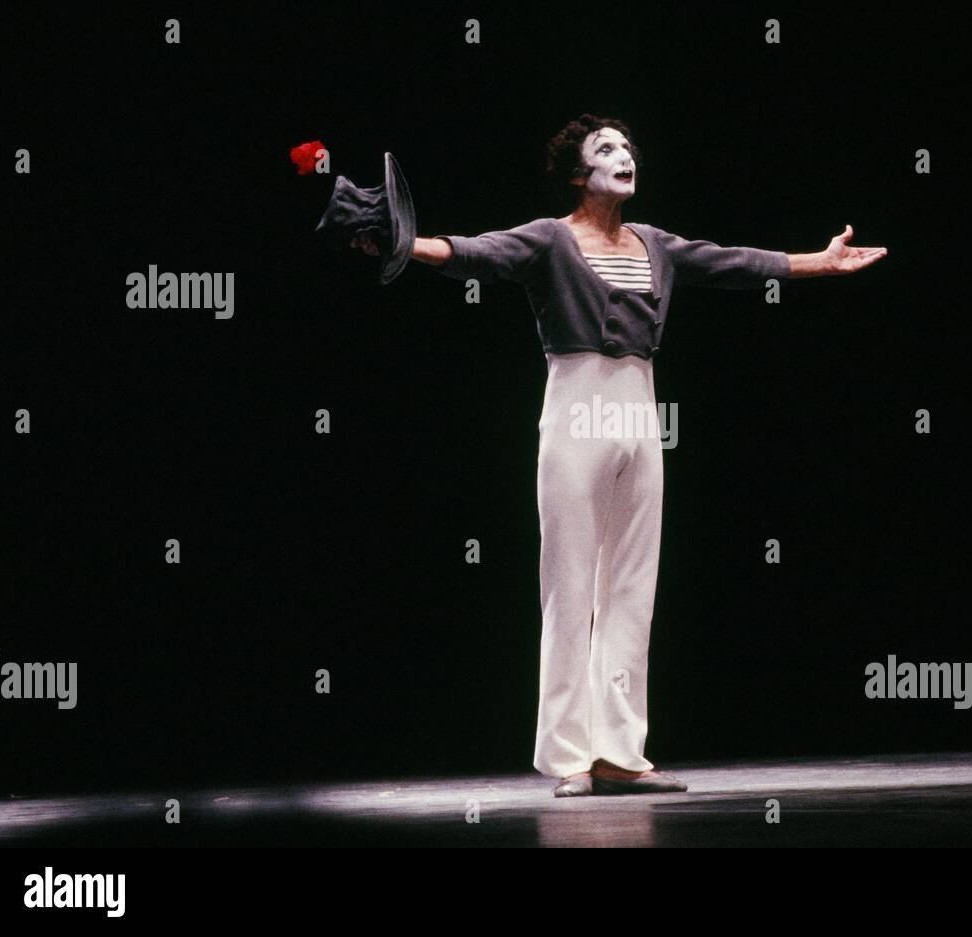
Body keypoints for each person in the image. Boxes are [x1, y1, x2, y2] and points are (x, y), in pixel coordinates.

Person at [352, 114, 887, 796]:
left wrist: (819, 261)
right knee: (570, 586)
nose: (623, 154)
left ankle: (620, 750)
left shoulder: (655, 244)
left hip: (639, 405)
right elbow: (476, 252)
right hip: (576, 401)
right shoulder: (550, 238)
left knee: (632, 587)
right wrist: (404, 243)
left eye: (627, 145)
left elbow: (734, 262)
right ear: (579, 175)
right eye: (605, 148)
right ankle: (570, 754)